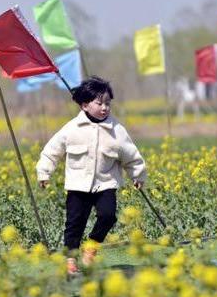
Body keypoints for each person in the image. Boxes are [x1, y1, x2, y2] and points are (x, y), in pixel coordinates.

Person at [36, 76, 146, 274]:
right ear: (85, 105)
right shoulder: (71, 129)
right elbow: (52, 151)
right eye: (99, 103)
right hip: (78, 185)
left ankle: (91, 247)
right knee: (74, 225)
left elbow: (131, 155)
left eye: (108, 103)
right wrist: (44, 172)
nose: (104, 108)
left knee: (108, 216)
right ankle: (71, 259)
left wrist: (137, 175)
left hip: (105, 184)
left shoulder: (117, 130)